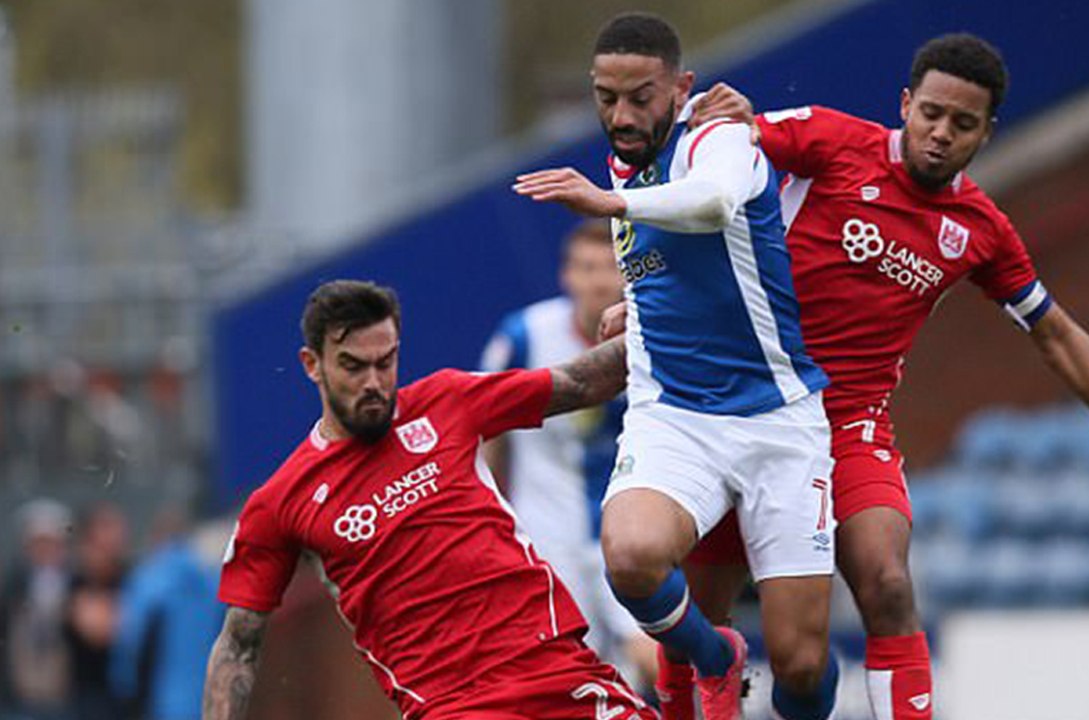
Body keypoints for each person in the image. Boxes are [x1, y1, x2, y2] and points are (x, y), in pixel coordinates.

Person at [613, 32, 1089, 720]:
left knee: (873, 596)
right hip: (742, 407)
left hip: (849, 426)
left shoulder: (981, 229)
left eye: (962, 124)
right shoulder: (830, 140)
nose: (941, 133)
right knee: (694, 626)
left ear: (986, 133)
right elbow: (710, 172)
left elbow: (1055, 332)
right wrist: (650, 290)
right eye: (932, 114)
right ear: (906, 104)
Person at [514, 12, 839, 720]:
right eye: (606, 98)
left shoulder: (717, 137)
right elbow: (668, 257)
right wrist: (635, 304)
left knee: (803, 664)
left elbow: (713, 203)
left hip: (778, 419)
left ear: (682, 87)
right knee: (629, 557)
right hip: (676, 415)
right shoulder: (626, 159)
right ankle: (716, 657)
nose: (621, 116)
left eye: (641, 98)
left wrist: (610, 201)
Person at [202, 280, 654, 720]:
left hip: (557, 668)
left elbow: (579, 382)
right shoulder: (281, 500)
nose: (374, 383)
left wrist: (666, 318)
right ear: (311, 364)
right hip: (454, 704)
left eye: (385, 362)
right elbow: (239, 644)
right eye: (353, 366)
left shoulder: (447, 401)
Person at [479, 220, 658, 688]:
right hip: (546, 530)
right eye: (586, 268)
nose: (597, 281)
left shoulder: (653, 333)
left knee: (655, 657)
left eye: (608, 268)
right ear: (567, 275)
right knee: (568, 668)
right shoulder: (524, 336)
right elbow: (487, 426)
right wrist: (493, 515)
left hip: (627, 528)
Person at [110, 508, 222, 720]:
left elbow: (130, 640)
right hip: (204, 702)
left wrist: (123, 686)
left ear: (156, 538)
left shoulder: (149, 579)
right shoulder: (213, 581)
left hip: (160, 702)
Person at [1, 499, 74, 720]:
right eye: (39, 543)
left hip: (64, 694)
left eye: (51, 543)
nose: (45, 550)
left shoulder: (75, 584)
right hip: (19, 693)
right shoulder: (13, 586)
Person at [65, 502, 130, 720]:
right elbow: (98, 631)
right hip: (89, 696)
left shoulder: (129, 577)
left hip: (125, 696)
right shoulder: (77, 582)